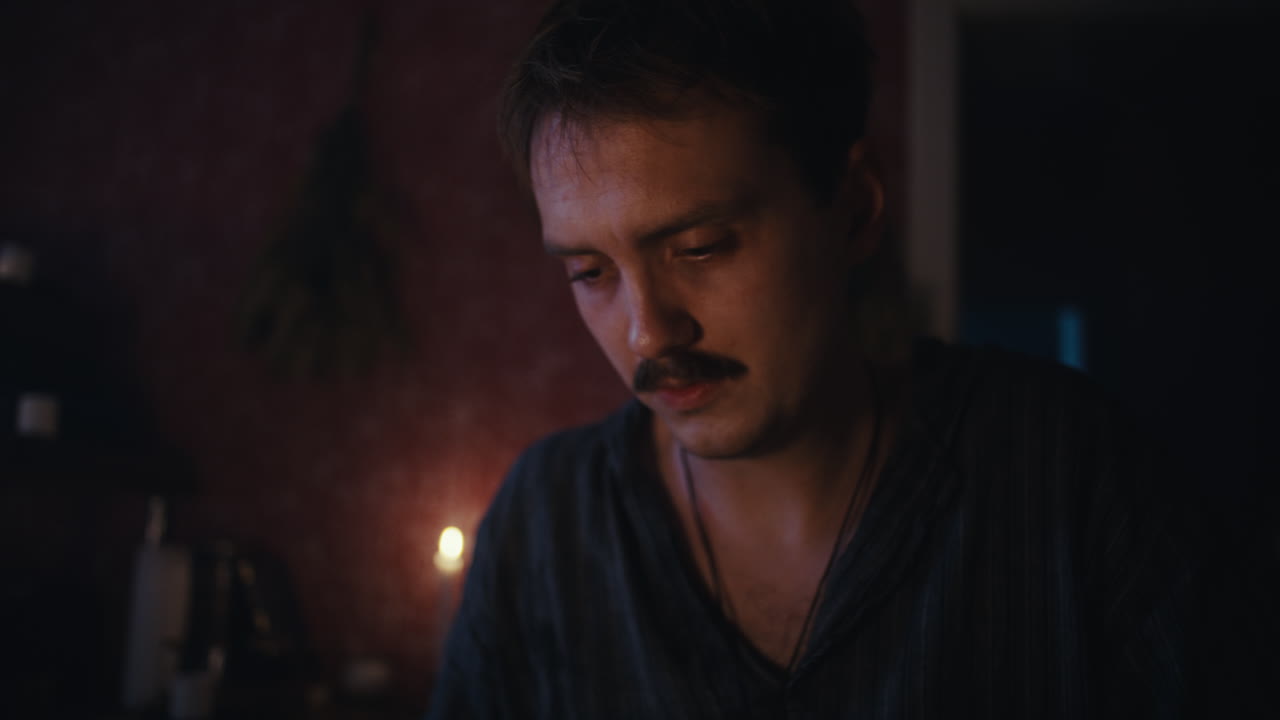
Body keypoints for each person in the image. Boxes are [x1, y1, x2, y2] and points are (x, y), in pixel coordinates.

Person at [428, 1, 1273, 717]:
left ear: (856, 209)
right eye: (590, 272)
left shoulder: (1066, 474)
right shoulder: (544, 527)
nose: (649, 333)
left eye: (702, 246)